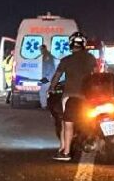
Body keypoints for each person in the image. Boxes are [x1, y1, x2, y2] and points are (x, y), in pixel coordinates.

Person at [50, 32, 97, 161]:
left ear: (71, 44)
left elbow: (57, 76)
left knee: (67, 124)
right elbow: (96, 74)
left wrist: (51, 88)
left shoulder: (66, 60)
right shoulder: (91, 59)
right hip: (88, 97)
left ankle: (65, 152)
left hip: (70, 96)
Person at [39, 44, 56, 109]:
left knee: (42, 91)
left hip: (48, 77)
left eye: (41, 49)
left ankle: (44, 106)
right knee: (49, 90)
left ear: (44, 49)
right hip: (49, 76)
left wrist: (45, 77)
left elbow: (48, 66)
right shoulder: (48, 55)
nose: (40, 51)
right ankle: (50, 105)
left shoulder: (46, 56)